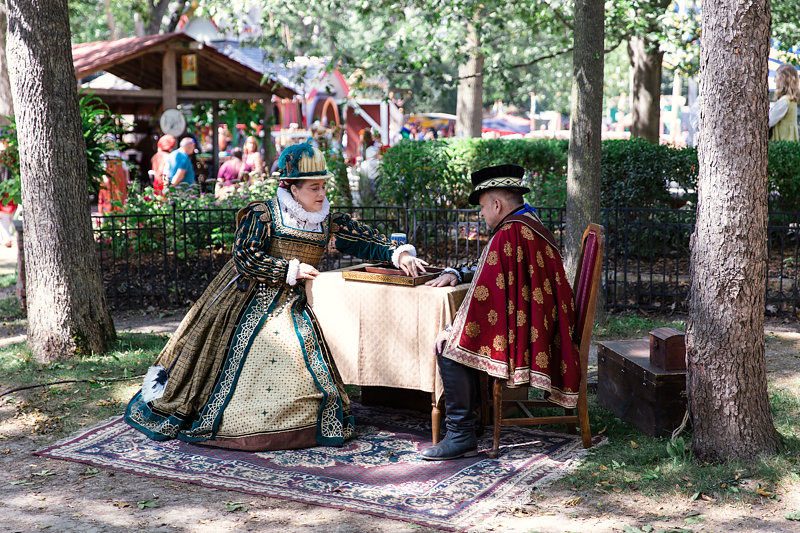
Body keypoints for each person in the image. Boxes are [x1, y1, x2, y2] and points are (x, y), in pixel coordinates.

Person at [124, 143, 428, 451]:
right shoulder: (263, 214)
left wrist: (396, 254)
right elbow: (244, 256)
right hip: (247, 298)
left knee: (308, 364)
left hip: (293, 303)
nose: (321, 194)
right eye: (313, 187)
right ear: (292, 189)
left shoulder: (326, 219)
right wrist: (290, 268)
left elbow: (366, 241)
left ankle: (304, 426)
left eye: (323, 186)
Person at [420, 164, 581, 460]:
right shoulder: (528, 222)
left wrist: (453, 331)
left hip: (529, 334)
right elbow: (494, 280)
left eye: (482, 207)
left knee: (448, 347)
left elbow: (485, 300)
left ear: (496, 204)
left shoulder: (509, 234)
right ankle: (473, 423)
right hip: (546, 324)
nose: (482, 215)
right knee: (457, 340)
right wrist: (459, 272)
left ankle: (461, 435)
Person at [769, 64, 799, 141]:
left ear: (783, 79)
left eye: (776, 76)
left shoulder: (784, 101)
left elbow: (769, 121)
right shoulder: (791, 100)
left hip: (782, 143)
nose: (774, 80)